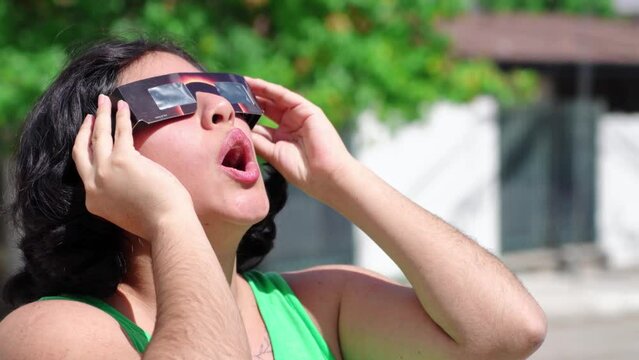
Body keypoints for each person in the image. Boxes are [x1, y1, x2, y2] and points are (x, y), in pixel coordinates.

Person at [0, 38, 546, 359]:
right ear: (95, 154)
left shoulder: (320, 306)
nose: (223, 111)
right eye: (168, 100)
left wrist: (341, 178)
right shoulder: (49, 333)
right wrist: (169, 218)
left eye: (228, 95)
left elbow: (507, 332)